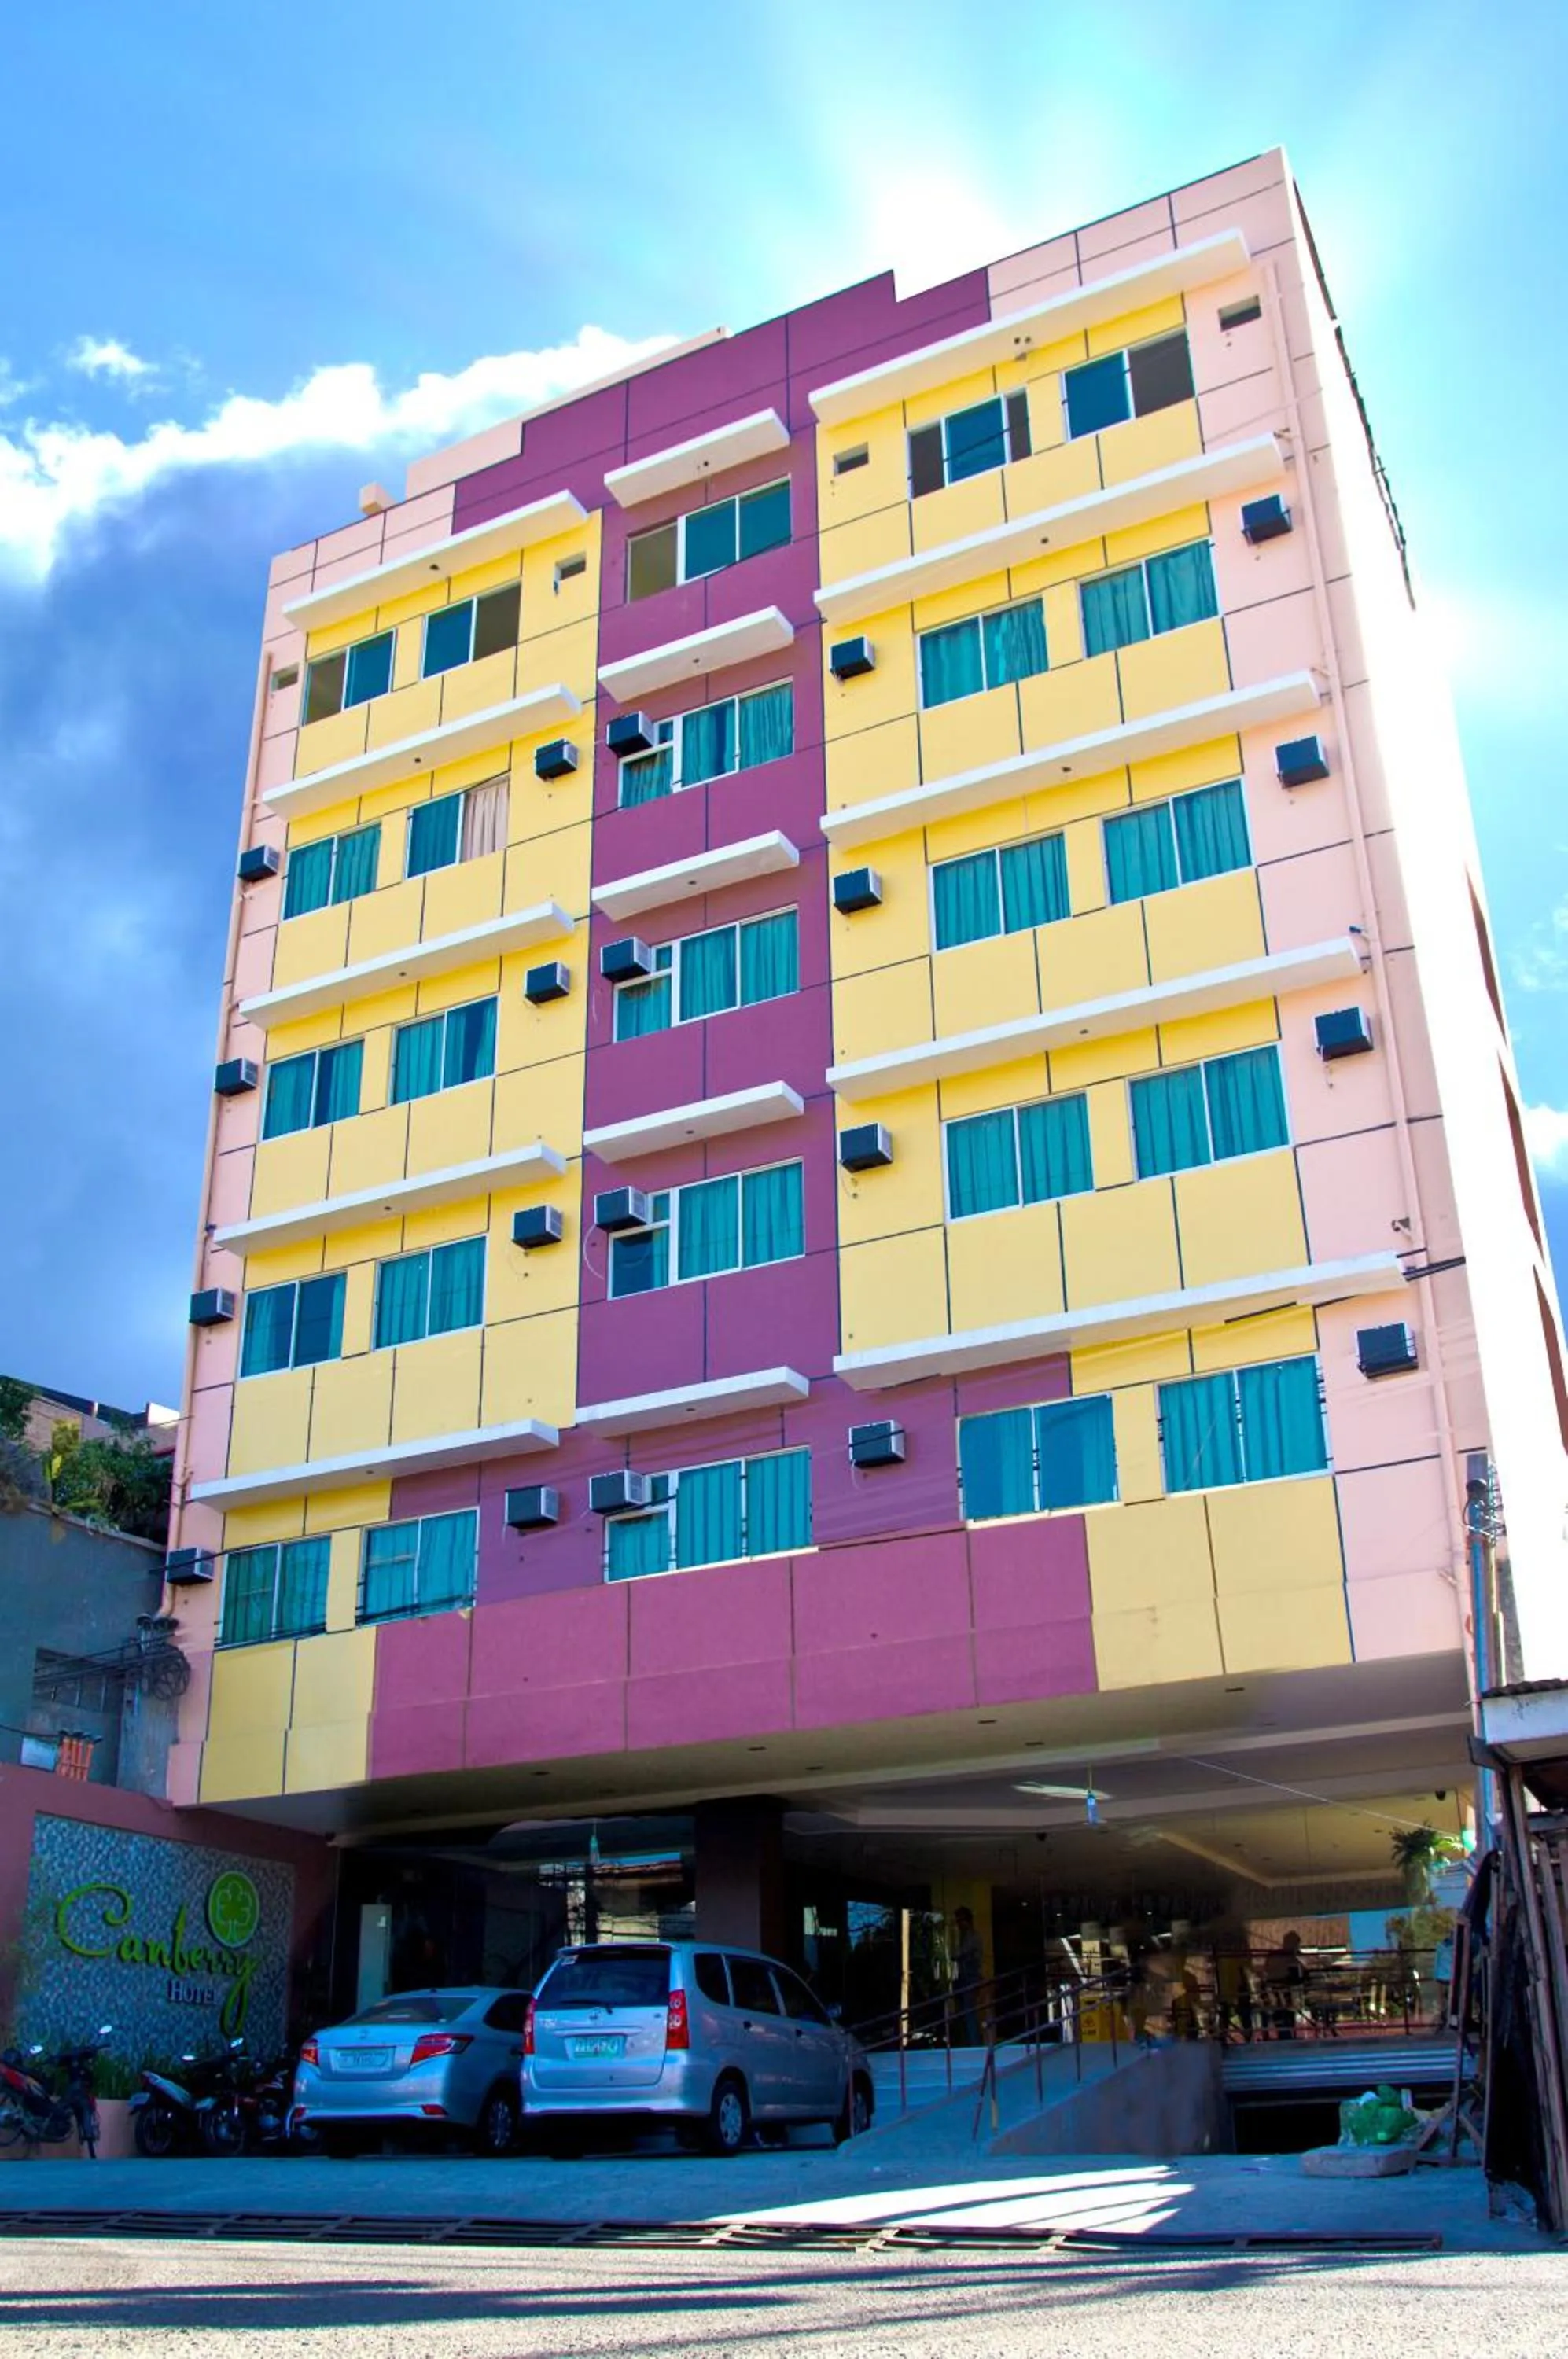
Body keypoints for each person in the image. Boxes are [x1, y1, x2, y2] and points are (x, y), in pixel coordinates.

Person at [1262, 1929, 1307, 2037]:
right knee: (1285, 2010)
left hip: (1280, 1992)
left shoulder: (1283, 1956)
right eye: (1296, 1945)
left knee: (1287, 2009)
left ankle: (1287, 2033)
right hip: (1278, 1992)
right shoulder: (1284, 1957)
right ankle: (1286, 2033)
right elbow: (1299, 1973)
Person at [951, 1906, 985, 2047]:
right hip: (962, 1978)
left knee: (969, 2012)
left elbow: (959, 1954)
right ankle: (965, 2042)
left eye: (961, 1920)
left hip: (970, 1978)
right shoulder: (963, 1937)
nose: (959, 1924)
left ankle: (974, 2044)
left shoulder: (973, 1937)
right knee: (963, 2014)